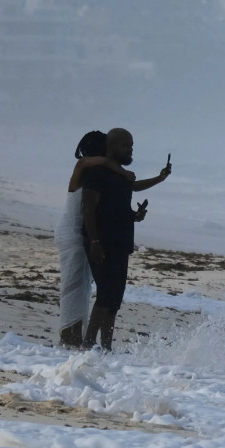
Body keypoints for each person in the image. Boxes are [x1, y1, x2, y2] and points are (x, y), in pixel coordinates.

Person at [80, 128, 171, 350]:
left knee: (115, 300)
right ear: (112, 147)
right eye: (126, 146)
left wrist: (135, 215)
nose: (130, 150)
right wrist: (94, 242)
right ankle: (88, 344)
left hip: (121, 244)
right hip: (102, 243)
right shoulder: (97, 173)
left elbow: (126, 196)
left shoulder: (121, 174)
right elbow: (88, 209)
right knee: (105, 294)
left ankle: (106, 347)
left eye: (132, 146)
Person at [55, 131, 135, 348]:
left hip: (80, 231)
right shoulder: (84, 166)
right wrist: (124, 172)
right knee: (73, 284)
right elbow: (101, 161)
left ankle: (74, 335)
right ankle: (68, 336)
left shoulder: (96, 172)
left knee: (82, 285)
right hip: (71, 231)